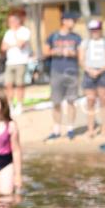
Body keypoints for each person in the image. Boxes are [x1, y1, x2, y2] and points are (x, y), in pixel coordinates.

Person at [43, 11, 82, 141]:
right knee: (56, 102)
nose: (74, 23)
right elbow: (45, 52)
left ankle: (70, 128)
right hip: (56, 72)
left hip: (72, 72)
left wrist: (72, 53)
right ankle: (56, 129)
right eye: (72, 20)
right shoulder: (53, 36)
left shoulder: (77, 37)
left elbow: (81, 55)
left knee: (71, 101)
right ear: (64, 20)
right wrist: (56, 51)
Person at [79, 19, 105, 138]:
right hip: (89, 73)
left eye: (96, 29)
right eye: (92, 30)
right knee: (90, 101)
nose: (94, 32)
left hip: (104, 73)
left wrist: (100, 71)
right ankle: (90, 129)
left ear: (100, 29)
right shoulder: (85, 42)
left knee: (104, 99)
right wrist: (89, 70)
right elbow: (81, 59)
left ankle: (104, 128)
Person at [1, 12, 31, 117]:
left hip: (21, 61)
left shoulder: (24, 31)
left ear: (18, 21)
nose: (10, 23)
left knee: (19, 85)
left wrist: (13, 39)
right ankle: (10, 106)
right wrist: (13, 44)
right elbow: (3, 47)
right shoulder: (7, 33)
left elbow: (21, 44)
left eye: (12, 21)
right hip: (10, 62)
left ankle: (19, 105)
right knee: (8, 84)